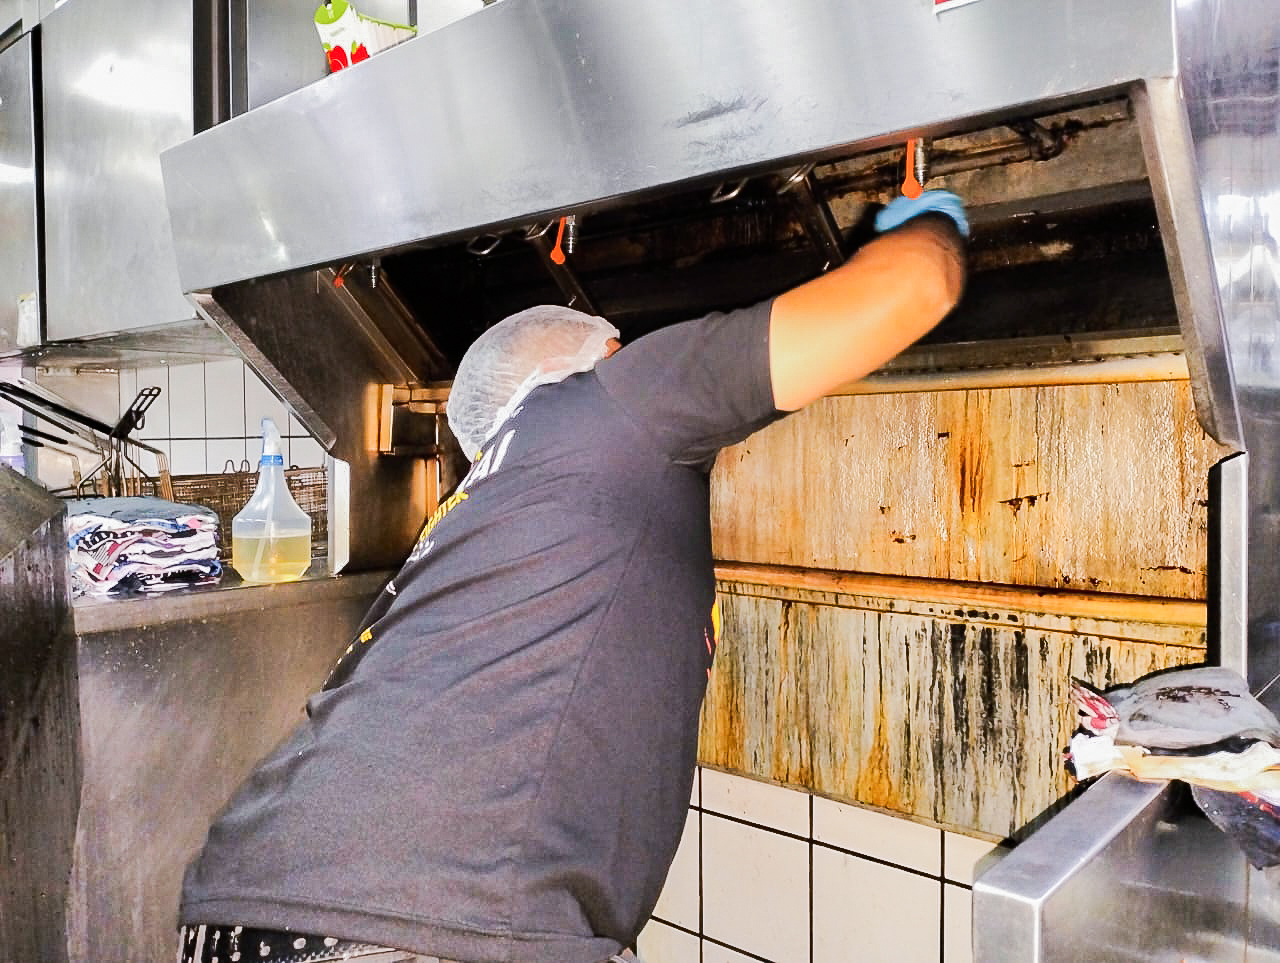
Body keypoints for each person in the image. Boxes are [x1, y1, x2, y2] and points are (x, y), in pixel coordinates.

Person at [177, 190, 969, 963]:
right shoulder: (599, 408)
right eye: (618, 345)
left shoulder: (482, 510)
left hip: (244, 912)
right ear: (568, 368)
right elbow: (915, 284)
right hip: (426, 928)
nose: (632, 356)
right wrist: (928, 221)